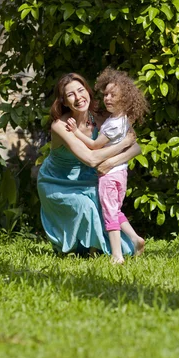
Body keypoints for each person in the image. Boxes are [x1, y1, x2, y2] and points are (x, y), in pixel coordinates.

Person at [37, 72, 143, 258]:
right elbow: (93, 159)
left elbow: (136, 147)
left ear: (88, 90)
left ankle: (100, 249)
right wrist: (123, 144)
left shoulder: (103, 118)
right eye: (71, 94)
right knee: (85, 206)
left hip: (88, 178)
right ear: (63, 101)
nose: (78, 97)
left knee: (105, 204)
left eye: (81, 90)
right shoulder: (60, 126)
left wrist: (111, 162)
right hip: (57, 181)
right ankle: (84, 248)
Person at [66, 68, 148, 264]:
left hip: (109, 175)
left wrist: (76, 132)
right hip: (121, 173)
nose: (108, 99)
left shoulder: (112, 124)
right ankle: (136, 240)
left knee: (109, 213)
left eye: (114, 95)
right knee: (115, 210)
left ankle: (117, 255)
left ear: (125, 99)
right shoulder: (123, 120)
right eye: (106, 94)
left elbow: (94, 146)